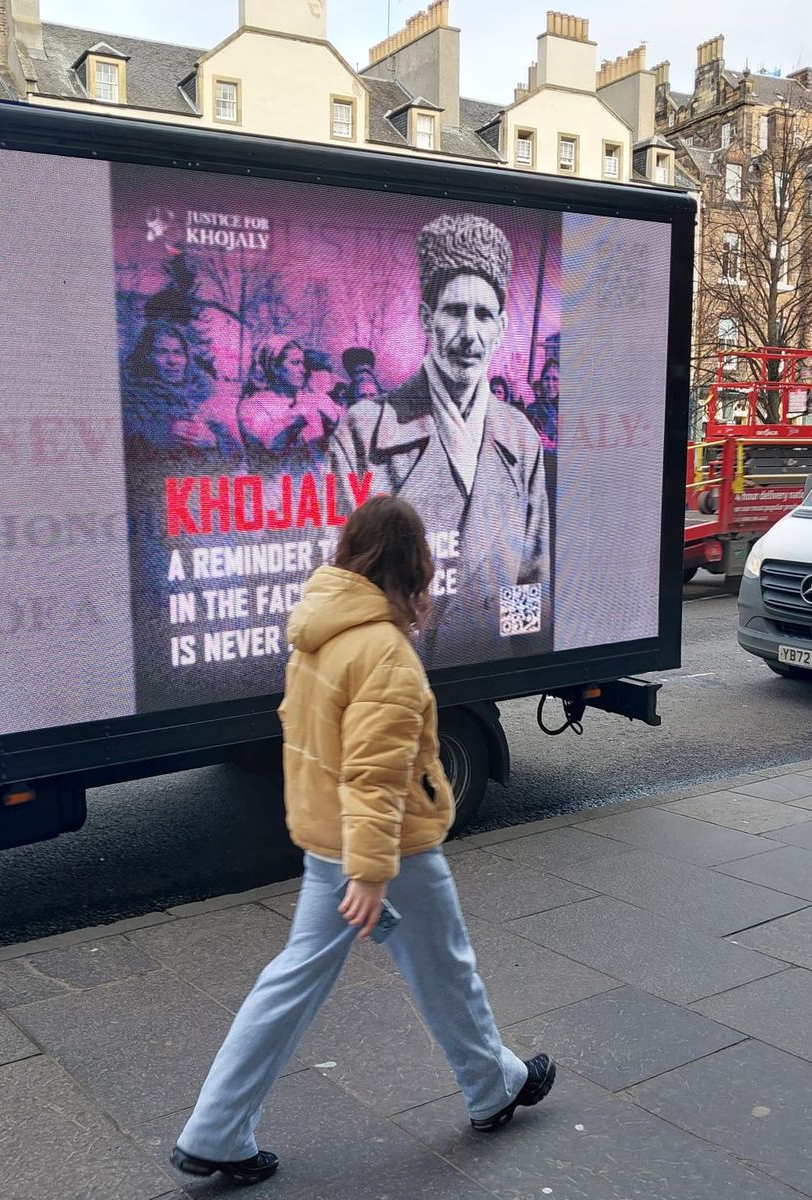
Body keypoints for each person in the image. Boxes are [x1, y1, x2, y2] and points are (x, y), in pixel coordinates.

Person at [171, 496, 555, 1187]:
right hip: (390, 851)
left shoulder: (318, 629)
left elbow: (309, 743)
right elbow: (376, 777)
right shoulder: (384, 651)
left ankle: (216, 1130)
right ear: (415, 569)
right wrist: (372, 873)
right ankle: (493, 1085)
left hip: (330, 844)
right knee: (446, 969)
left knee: (295, 982)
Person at [332, 212, 552, 668]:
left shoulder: (520, 438)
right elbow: (334, 578)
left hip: (480, 659)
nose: (468, 335)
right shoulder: (364, 429)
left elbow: (530, 573)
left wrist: (518, 665)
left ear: (501, 327)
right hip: (388, 673)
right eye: (454, 311)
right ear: (426, 319)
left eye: (483, 314)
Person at [234, 336, 344, 474]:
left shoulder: (310, 398)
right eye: (295, 363)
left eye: (303, 363)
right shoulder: (253, 405)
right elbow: (270, 446)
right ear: (275, 367)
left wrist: (335, 419)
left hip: (311, 487)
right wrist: (297, 416)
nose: (303, 370)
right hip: (271, 488)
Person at [120, 320, 217, 452]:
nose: (172, 361)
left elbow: (231, 442)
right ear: (146, 356)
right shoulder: (128, 395)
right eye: (162, 352)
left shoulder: (199, 394)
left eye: (178, 352)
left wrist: (212, 440)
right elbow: (126, 435)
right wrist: (165, 434)